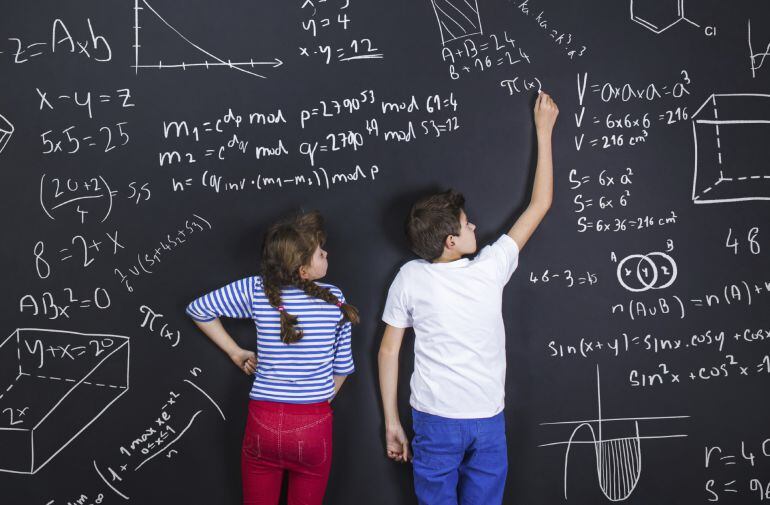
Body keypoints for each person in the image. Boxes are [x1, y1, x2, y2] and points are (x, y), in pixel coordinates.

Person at [377, 92, 559, 505]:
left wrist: (391, 421)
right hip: (486, 420)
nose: (474, 225)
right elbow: (540, 204)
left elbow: (388, 351)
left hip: (435, 421)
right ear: (451, 241)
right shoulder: (490, 267)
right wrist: (545, 132)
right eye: (466, 223)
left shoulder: (410, 276)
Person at [186, 210, 358, 505]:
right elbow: (342, 367)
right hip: (313, 423)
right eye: (320, 252)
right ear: (303, 271)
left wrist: (236, 352)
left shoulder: (256, 289)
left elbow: (198, 309)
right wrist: (318, 401)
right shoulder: (335, 298)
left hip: (262, 421)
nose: (326, 253)